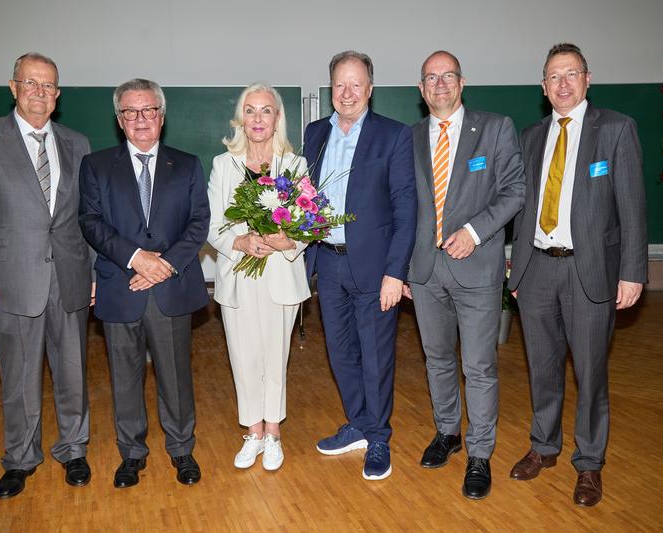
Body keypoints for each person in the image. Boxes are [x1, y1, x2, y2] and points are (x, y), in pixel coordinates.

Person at [508, 43, 647, 507]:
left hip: (592, 273)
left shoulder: (617, 130)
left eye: (571, 74)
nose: (562, 83)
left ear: (588, 79)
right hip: (537, 270)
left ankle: (589, 463)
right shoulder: (530, 136)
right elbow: (521, 205)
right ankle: (544, 447)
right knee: (542, 368)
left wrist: (631, 273)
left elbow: (632, 206)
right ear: (543, 88)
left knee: (590, 374)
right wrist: (515, 261)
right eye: (553, 76)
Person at [0, 52, 93, 498]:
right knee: (19, 379)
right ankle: (20, 458)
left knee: (73, 373)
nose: (39, 92)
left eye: (47, 85)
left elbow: (85, 219)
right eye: (30, 83)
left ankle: (73, 449)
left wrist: (90, 276)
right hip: (10, 283)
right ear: (13, 87)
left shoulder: (78, 143)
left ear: (58, 95)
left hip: (68, 279)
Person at [403, 50, 525, 499]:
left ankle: (479, 453)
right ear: (421, 89)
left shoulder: (495, 128)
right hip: (424, 270)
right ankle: (448, 433)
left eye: (447, 76)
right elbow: (403, 207)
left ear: (462, 81)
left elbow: (515, 191)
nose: (439, 84)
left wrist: (474, 232)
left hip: (476, 267)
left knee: (478, 366)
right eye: (430, 78)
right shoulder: (411, 137)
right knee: (436, 360)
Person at [79, 78, 209, 488]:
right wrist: (137, 258)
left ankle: (181, 449)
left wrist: (164, 264)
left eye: (149, 110)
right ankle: (131, 454)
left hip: (171, 288)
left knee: (175, 375)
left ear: (162, 116)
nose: (141, 119)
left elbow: (198, 222)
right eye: (131, 112)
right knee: (125, 376)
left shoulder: (187, 165)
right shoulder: (96, 165)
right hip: (121, 287)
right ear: (119, 120)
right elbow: (90, 222)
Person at [304, 51, 417, 480]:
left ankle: (379, 436)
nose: (347, 93)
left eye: (355, 84)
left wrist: (395, 272)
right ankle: (358, 423)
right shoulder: (315, 133)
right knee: (340, 353)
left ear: (370, 88)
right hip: (328, 264)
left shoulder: (393, 135)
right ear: (330, 89)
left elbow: (406, 211)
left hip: (374, 269)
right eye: (339, 85)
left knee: (375, 356)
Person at [207, 83, 310, 471]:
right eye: (250, 111)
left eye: (266, 111)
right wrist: (242, 241)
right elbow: (213, 226)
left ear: (277, 118)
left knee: (274, 357)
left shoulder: (295, 166)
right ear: (241, 118)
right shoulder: (223, 164)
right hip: (239, 276)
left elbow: (307, 224)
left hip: (281, 276)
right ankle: (252, 433)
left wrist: (288, 242)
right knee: (244, 356)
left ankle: (274, 434)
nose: (257, 119)